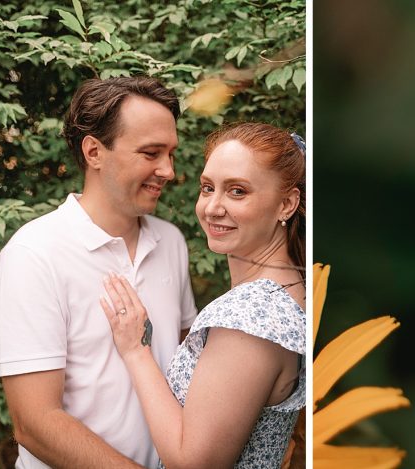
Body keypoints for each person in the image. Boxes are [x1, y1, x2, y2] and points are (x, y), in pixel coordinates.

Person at [0, 77, 198, 467]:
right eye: (151, 153)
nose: (168, 170)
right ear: (94, 152)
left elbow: (188, 366)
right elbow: (35, 423)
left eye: (171, 153)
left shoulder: (171, 242)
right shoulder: (33, 255)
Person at [99, 122, 307, 468]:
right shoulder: (292, 289)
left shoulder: (249, 317)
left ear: (287, 204)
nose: (212, 207)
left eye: (237, 191)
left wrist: (136, 351)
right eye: (208, 188)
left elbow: (192, 463)